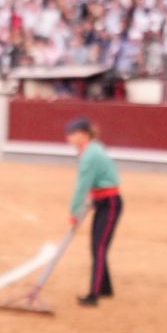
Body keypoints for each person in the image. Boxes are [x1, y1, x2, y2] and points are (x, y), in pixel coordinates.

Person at [66, 116, 123, 307]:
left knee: (98, 247)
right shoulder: (93, 149)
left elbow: (82, 185)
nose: (69, 138)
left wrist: (74, 211)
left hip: (109, 203)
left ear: (83, 135)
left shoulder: (89, 154)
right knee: (98, 246)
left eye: (72, 134)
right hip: (104, 201)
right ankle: (105, 288)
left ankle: (94, 294)